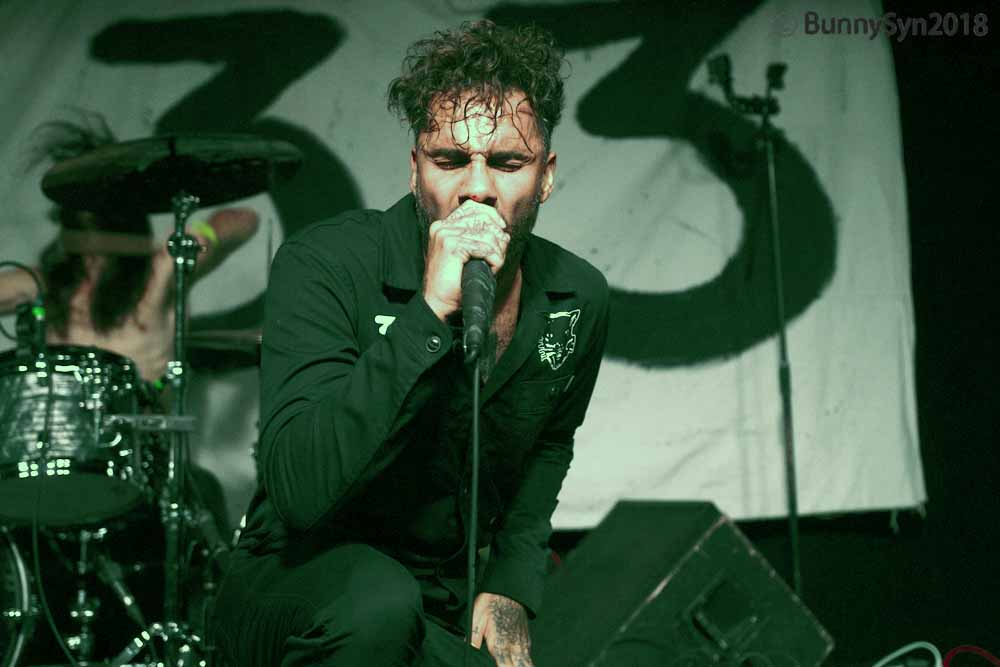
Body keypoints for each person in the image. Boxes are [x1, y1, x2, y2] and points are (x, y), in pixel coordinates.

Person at [212, 20, 609, 667]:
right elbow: (300, 492)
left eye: (507, 162)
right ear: (415, 169)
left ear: (545, 176)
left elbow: (548, 445)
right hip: (293, 581)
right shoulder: (327, 263)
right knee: (377, 603)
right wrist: (428, 313)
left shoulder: (576, 297)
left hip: (434, 599)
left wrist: (511, 581)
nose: (477, 188)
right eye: (449, 160)